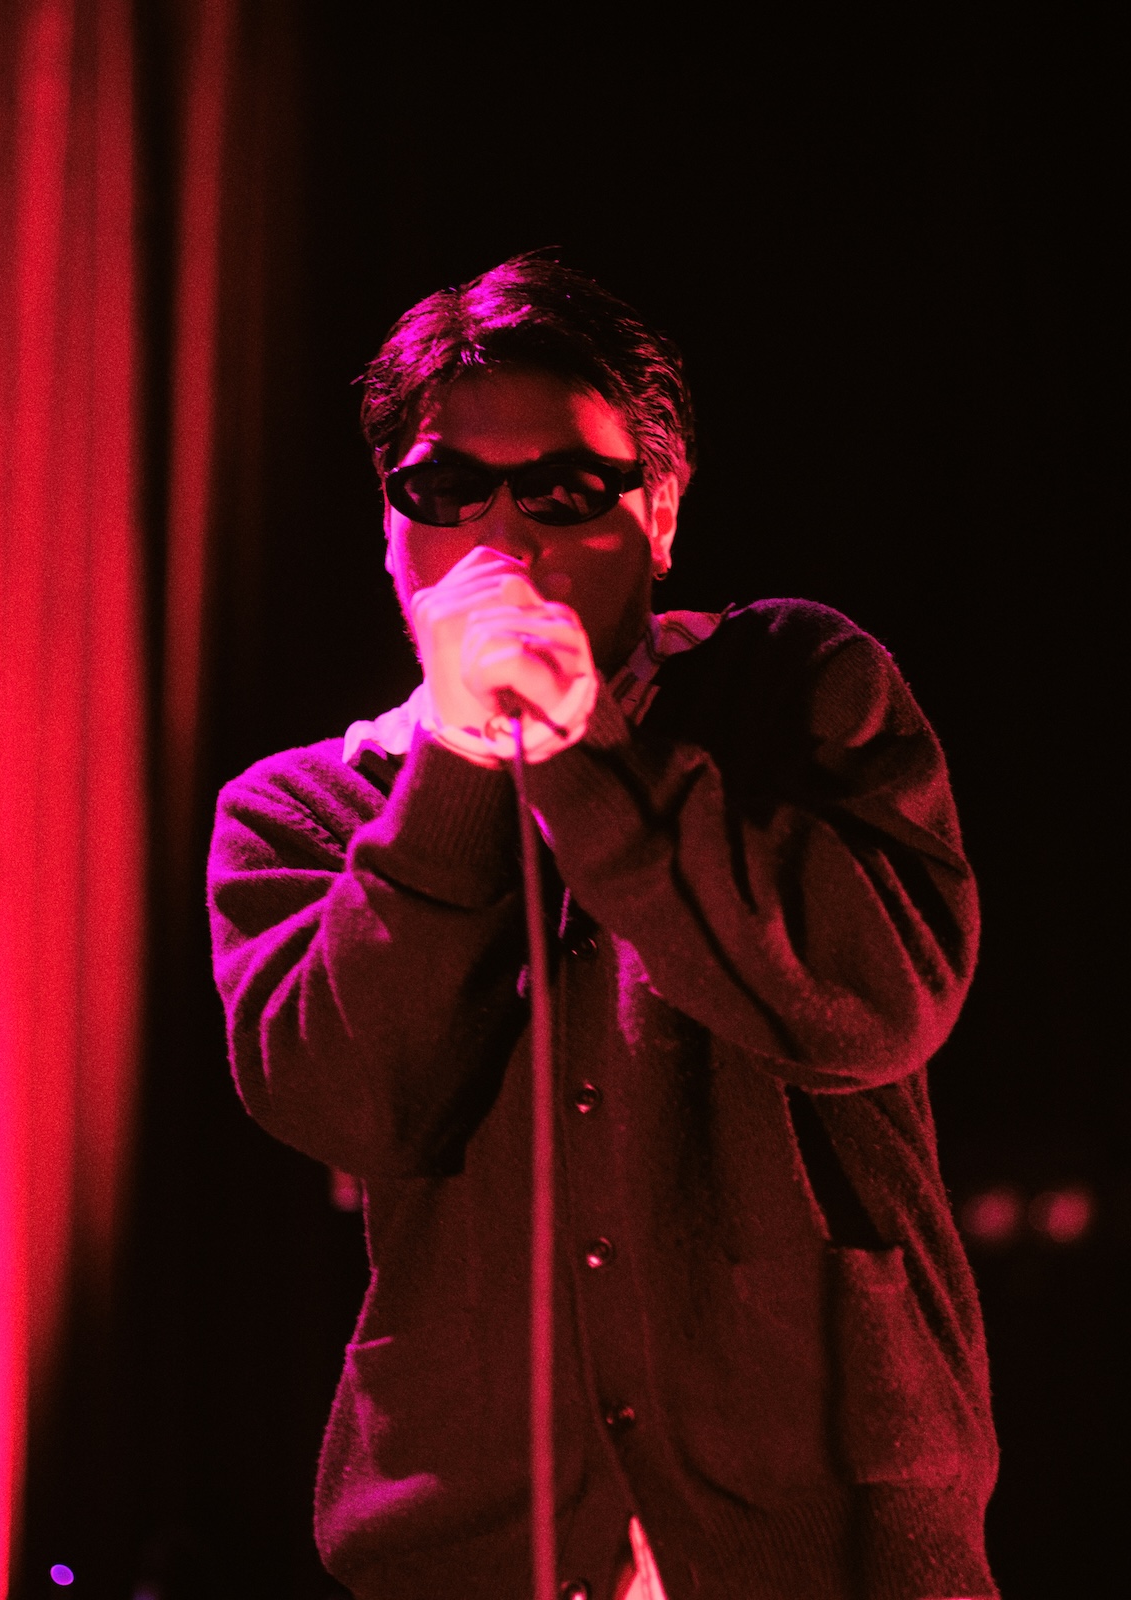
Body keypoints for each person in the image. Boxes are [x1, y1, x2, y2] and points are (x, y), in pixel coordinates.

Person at [206, 256, 999, 1600]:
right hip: (478, 1542)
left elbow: (871, 1003)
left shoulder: (798, 688)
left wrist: (584, 751)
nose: (504, 540)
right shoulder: (305, 808)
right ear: (391, 526)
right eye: (447, 491)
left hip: (825, 1524)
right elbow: (349, 1104)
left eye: (565, 490)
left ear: (662, 512)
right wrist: (461, 769)